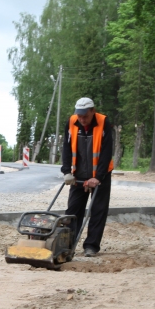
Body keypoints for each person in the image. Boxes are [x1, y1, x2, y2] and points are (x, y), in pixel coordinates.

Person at [60, 97, 114, 257]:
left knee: (98, 210)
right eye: (80, 116)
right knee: (73, 210)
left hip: (101, 174)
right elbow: (66, 147)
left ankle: (91, 246)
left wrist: (98, 177)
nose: (82, 119)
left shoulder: (103, 122)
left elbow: (106, 151)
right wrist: (66, 171)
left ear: (93, 111)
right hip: (78, 173)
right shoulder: (72, 122)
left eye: (85, 116)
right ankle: (67, 245)